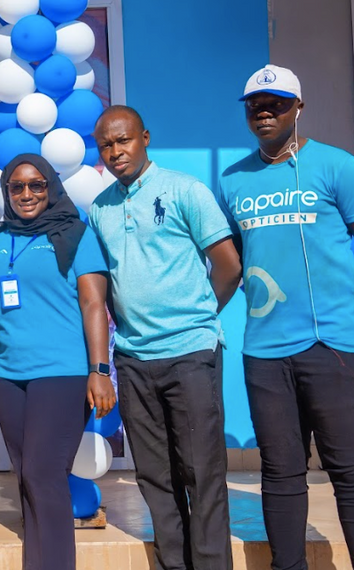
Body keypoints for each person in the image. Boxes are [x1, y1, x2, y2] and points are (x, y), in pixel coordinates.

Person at [218, 64, 354, 570]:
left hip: (334, 347)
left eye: (276, 103)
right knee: (280, 471)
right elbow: (229, 260)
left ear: (298, 107)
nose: (265, 112)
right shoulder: (233, 179)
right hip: (265, 352)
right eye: (256, 105)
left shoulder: (337, 167)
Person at [88, 105, 241, 570]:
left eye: (124, 140)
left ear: (145, 138)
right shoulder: (100, 207)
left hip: (191, 355)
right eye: (106, 145)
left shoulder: (184, 190)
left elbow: (230, 266)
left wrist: (197, 320)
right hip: (134, 358)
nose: (116, 151)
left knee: (201, 474)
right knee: (155, 476)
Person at [0, 154, 115, 570]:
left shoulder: (76, 235)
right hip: (9, 378)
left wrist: (100, 371)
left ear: (51, 188)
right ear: (6, 193)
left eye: (36, 185)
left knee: (45, 475)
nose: (26, 194)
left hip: (63, 374)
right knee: (27, 477)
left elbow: (94, 304)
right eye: (17, 187)